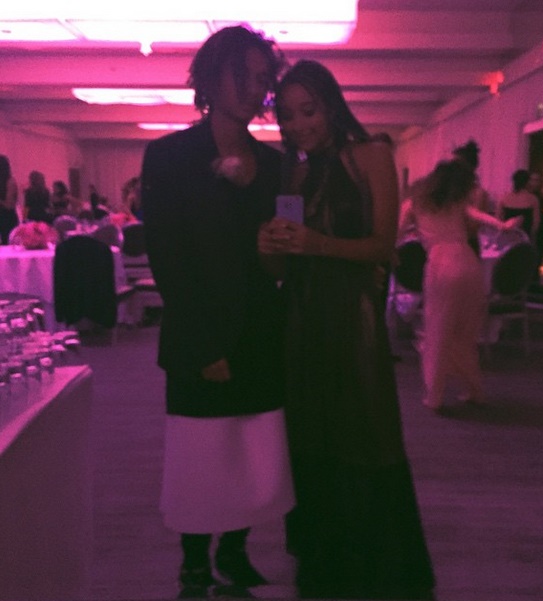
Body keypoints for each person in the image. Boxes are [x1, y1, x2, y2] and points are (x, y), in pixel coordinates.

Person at [258, 59, 434, 600]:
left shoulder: (372, 154)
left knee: (364, 431)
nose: (298, 125)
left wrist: (316, 243)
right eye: (288, 116)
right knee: (310, 435)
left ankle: (376, 568)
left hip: (352, 316)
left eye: (308, 110)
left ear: (331, 104)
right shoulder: (294, 174)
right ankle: (324, 563)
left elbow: (382, 247)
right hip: (300, 317)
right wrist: (268, 248)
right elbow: (282, 268)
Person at [140, 25, 294, 599]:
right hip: (197, 330)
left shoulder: (278, 166)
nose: (255, 88)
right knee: (199, 455)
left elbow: (284, 254)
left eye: (262, 78)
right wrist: (203, 344)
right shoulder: (169, 156)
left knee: (252, 452)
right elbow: (168, 259)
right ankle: (193, 564)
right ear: (210, 78)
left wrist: (281, 249)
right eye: (243, 76)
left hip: (261, 328)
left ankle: (234, 552)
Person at [399, 160, 520, 411]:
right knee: (465, 334)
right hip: (468, 263)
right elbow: (480, 217)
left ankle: (434, 396)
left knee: (438, 331)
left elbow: (396, 234)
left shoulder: (414, 204)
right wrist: (504, 225)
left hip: (441, 266)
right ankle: (475, 390)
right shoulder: (456, 204)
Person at [451, 139, 492, 254]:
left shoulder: (478, 193)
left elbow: (473, 227)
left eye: (455, 165)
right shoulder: (450, 190)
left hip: (466, 247)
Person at [497, 169, 540, 242]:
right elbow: (536, 223)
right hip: (525, 237)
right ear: (527, 182)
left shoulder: (504, 198)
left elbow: (498, 219)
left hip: (508, 236)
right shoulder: (533, 199)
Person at [0, 154, 19, 244]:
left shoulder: (10, 181)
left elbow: (9, 205)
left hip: (7, 217)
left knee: (7, 243)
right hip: (4, 215)